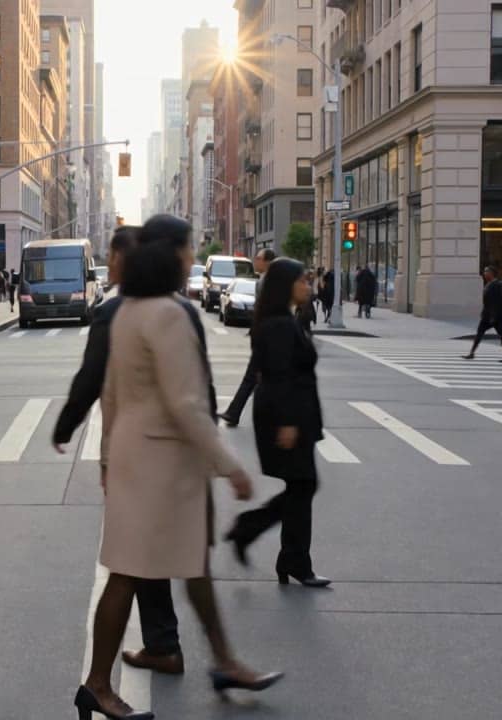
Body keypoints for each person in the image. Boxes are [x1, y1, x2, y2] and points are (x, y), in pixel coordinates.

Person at [76, 215, 281, 720]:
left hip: (141, 457)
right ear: (172, 254)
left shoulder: (126, 311)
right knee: (129, 573)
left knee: (188, 566)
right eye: (189, 249)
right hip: (161, 463)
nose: (193, 258)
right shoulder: (167, 314)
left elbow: (112, 394)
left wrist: (109, 457)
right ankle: (98, 686)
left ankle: (221, 660)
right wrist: (229, 463)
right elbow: (186, 404)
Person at [53, 227, 187, 677]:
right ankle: (163, 644)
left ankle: (103, 680)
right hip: (165, 454)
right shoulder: (176, 310)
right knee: (149, 554)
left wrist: (67, 424)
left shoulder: (116, 314)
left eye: (112, 256)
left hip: (137, 455)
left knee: (130, 562)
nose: (106, 264)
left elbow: (92, 381)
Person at [224, 258, 330, 588]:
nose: (307, 286)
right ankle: (278, 550)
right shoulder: (280, 325)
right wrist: (287, 423)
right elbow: (279, 376)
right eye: (302, 281)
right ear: (286, 285)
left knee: (302, 486)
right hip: (286, 417)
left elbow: (262, 370)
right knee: (303, 485)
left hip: (290, 414)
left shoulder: (281, 320)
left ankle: (285, 555)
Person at [218, 247, 276, 428]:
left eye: (258, 258)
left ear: (267, 262)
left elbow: (267, 311)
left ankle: (235, 412)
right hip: (263, 335)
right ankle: (236, 412)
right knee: (259, 377)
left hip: (266, 337)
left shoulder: (269, 281)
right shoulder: (264, 280)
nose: (255, 261)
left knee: (254, 377)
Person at [463, 266, 502, 362]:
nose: (484, 273)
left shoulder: (495, 285)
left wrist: (494, 316)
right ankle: (472, 353)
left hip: (494, 316)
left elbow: (497, 302)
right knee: (480, 333)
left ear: (491, 273)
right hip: (487, 315)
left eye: (486, 272)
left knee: (501, 335)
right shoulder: (489, 284)